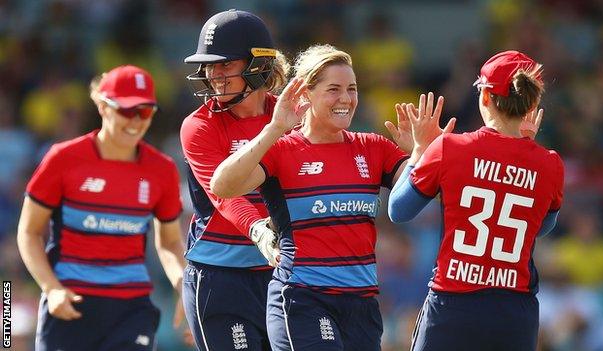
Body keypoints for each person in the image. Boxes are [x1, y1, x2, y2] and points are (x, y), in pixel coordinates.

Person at [210, 44, 455, 351]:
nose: (346, 99)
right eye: (334, 89)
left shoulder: (374, 148)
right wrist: (275, 128)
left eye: (352, 89)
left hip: (361, 303)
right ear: (305, 94)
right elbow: (222, 185)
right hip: (303, 298)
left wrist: (423, 152)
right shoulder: (283, 150)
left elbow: (422, 192)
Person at [387, 50, 564, 351]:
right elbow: (542, 227)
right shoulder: (550, 163)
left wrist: (419, 151)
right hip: (514, 315)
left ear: (484, 98)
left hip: (454, 307)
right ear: (532, 103)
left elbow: (398, 210)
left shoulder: (449, 148)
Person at [17, 65, 188, 350]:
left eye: (144, 111)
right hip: (70, 305)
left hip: (132, 309)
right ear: (102, 106)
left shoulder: (163, 170)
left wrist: (184, 285)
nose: (135, 121)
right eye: (126, 110)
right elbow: (28, 232)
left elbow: (169, 242)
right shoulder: (63, 158)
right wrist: (51, 288)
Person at [179, 9, 290, 351]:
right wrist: (258, 229)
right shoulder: (198, 125)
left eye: (225, 64)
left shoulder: (292, 117)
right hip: (220, 277)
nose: (214, 75)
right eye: (210, 65)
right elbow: (224, 195)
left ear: (258, 65)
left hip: (282, 271)